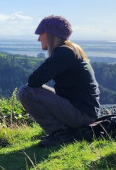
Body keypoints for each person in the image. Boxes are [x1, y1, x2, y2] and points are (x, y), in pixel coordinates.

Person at [17, 15, 100, 147]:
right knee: (29, 90)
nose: (39, 38)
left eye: (41, 34)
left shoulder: (63, 53)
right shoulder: (71, 50)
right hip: (86, 112)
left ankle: (61, 133)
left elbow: (34, 81)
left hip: (82, 115)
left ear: (50, 34)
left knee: (26, 92)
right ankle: (65, 131)